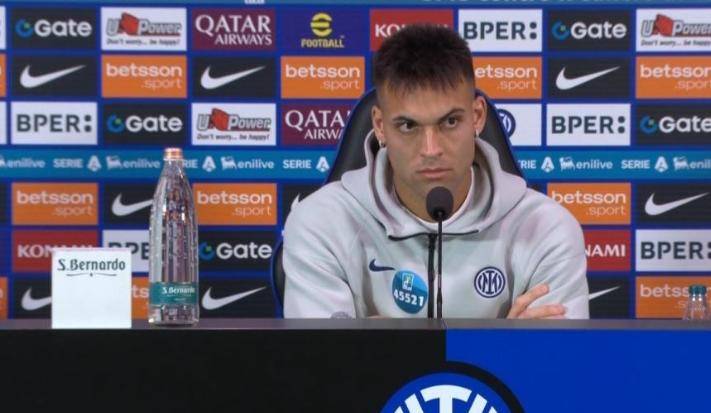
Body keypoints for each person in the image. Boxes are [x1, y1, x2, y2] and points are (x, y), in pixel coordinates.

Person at [282, 24, 588, 319]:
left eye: (450, 122)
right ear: (380, 126)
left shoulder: (546, 229)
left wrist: (378, 342)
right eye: (408, 126)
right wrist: (504, 343)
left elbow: (559, 355)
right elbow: (320, 356)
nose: (431, 150)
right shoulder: (321, 223)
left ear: (477, 117)